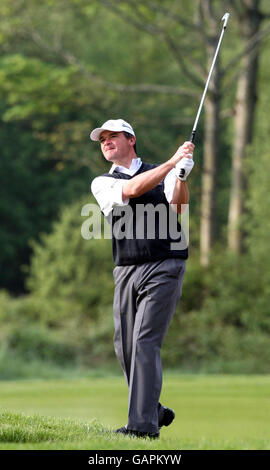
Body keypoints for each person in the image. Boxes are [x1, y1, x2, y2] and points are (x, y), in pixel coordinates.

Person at [90, 119, 194, 439]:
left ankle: (142, 427)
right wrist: (173, 162)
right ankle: (153, 409)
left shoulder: (158, 171)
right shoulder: (101, 183)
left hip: (165, 263)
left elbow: (178, 204)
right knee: (125, 347)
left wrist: (180, 175)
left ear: (131, 140)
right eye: (102, 139)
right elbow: (133, 189)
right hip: (125, 269)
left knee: (144, 341)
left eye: (113, 137)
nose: (106, 142)